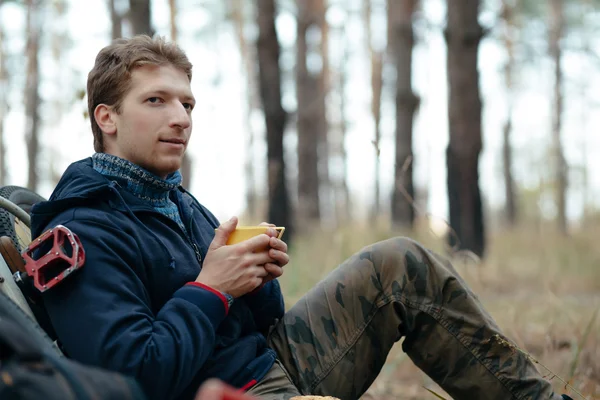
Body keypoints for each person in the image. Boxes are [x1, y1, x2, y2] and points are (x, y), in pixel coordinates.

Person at [30, 35, 571, 400]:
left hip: (264, 363)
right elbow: (130, 377)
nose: (180, 119)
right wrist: (211, 289)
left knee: (398, 263)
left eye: (187, 105)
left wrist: (256, 280)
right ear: (107, 118)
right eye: (156, 101)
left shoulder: (176, 201)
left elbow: (257, 324)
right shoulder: (81, 229)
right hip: (218, 393)